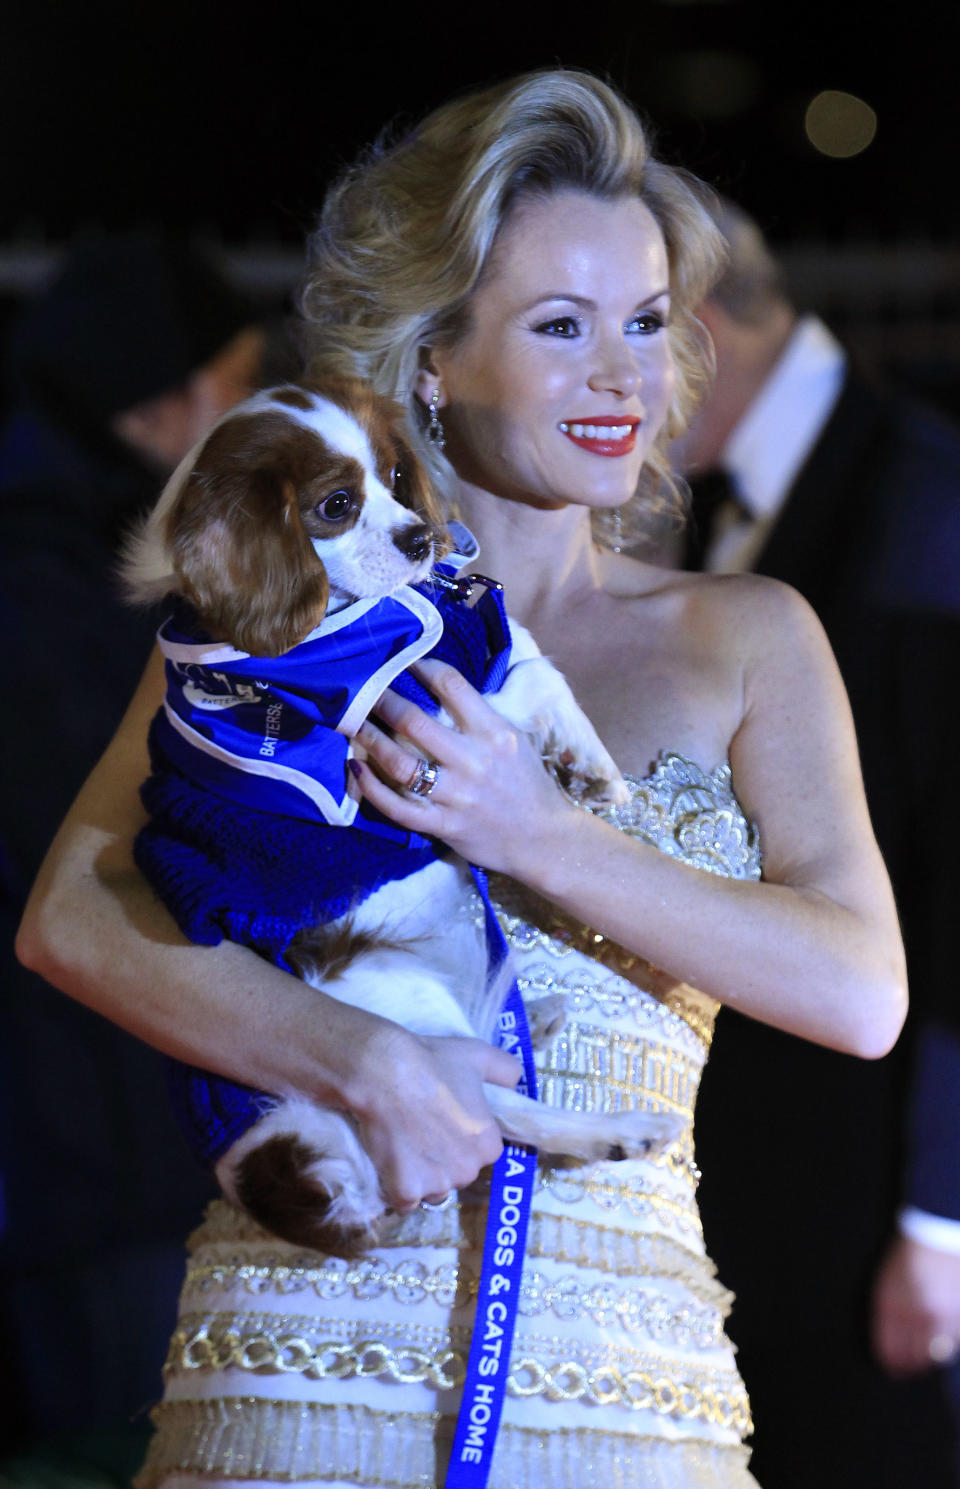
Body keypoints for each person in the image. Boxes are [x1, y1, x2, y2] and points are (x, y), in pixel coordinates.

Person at [16, 74, 907, 1489]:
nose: (623, 376)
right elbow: (68, 915)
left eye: (645, 320)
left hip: (621, 1404)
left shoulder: (747, 637)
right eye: (561, 327)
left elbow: (863, 993)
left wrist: (542, 834)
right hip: (288, 1373)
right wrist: (356, 1058)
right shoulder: (280, 611)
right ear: (435, 358)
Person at [671, 201, 960, 1486]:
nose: (608, 384)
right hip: (754, 1185)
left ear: (703, 327)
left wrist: (944, 1217)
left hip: (879, 1195)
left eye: (630, 331)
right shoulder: (709, 504)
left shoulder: (925, 500)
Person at [0, 233, 265, 1470]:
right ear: (161, 407)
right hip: (107, 1159)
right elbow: (136, 854)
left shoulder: (82, 547)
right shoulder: (58, 591)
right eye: (238, 382)